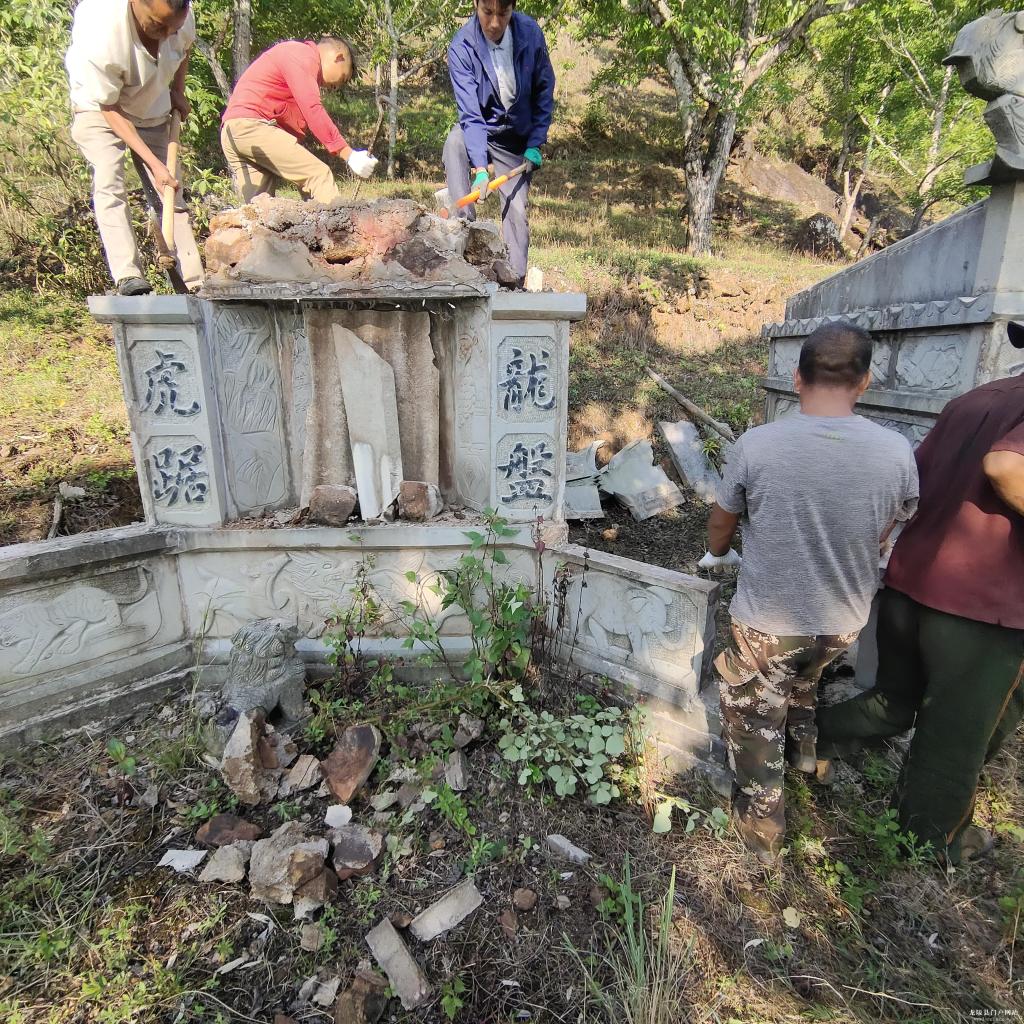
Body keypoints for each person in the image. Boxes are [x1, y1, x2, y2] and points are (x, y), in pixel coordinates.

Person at [699, 322, 919, 864]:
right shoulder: (896, 453)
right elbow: (888, 530)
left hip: (768, 624)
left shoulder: (758, 445)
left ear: (797, 378)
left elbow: (720, 526)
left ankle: (762, 828)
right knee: (805, 676)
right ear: (864, 382)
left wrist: (721, 549)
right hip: (843, 621)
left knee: (753, 713)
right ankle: (804, 754)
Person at [817, 324, 1024, 866]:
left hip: (912, 585)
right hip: (983, 611)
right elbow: (1005, 465)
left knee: (894, 701)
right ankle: (931, 841)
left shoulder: (976, 400)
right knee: (957, 731)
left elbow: (914, 478)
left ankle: (806, 737)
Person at [66, 0, 203, 296]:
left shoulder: (181, 17)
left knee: (171, 188)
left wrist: (177, 91)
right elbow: (110, 107)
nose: (166, 35)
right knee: (110, 180)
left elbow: (184, 50)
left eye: (173, 28)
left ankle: (193, 282)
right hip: (100, 108)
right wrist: (154, 164)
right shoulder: (100, 31)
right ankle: (128, 274)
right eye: (157, 25)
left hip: (152, 106)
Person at [443, 0, 555, 283]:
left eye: (503, 14)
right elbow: (471, 115)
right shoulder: (462, 47)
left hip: (515, 138)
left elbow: (544, 91)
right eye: (487, 13)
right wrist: (481, 169)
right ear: (475, 5)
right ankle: (462, 238)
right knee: (455, 142)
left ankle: (514, 283)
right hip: (480, 129)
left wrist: (535, 142)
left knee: (516, 212)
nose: (494, 23)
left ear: (513, 8)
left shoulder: (530, 34)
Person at [221, 37, 378, 204]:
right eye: (344, 77)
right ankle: (340, 222)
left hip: (233, 132)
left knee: (261, 207)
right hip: (252, 127)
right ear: (339, 57)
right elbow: (313, 110)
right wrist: (349, 154)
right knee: (318, 175)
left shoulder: (294, 59)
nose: (337, 86)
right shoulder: (303, 54)